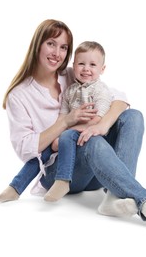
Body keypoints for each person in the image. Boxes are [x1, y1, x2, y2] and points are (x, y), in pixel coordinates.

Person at [0, 19, 146, 237]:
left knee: (133, 116)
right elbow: (25, 149)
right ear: (37, 45)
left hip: (93, 170)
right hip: (58, 171)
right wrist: (65, 123)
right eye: (51, 44)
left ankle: (113, 196)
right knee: (91, 140)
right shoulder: (19, 95)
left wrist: (101, 125)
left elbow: (119, 99)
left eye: (63, 47)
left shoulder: (72, 73)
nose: (57, 53)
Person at [43, 40, 112, 202]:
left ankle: (63, 180)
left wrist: (68, 132)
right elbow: (63, 117)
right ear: (73, 66)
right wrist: (55, 138)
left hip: (88, 136)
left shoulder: (101, 90)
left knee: (67, 136)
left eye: (92, 65)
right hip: (70, 140)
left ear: (102, 69)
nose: (86, 69)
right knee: (42, 152)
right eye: (81, 64)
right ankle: (17, 185)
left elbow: (97, 119)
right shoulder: (70, 91)